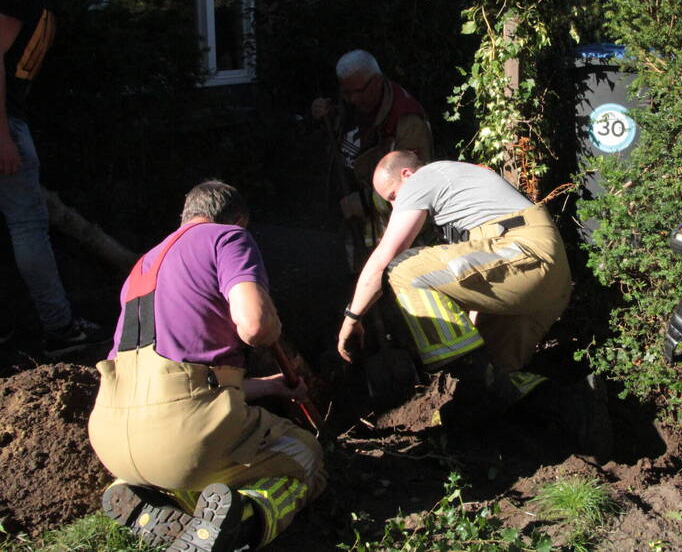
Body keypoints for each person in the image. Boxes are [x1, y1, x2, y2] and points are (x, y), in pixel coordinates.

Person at [89, 181, 326, 552]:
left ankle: (138, 492)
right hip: (185, 437)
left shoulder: (142, 265)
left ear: (185, 215)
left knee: (179, 458)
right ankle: (243, 521)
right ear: (239, 219)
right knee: (305, 455)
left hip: (113, 439)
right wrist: (272, 324)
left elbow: (181, 379)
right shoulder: (226, 238)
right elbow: (256, 326)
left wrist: (272, 386)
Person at [336, 150, 611, 457]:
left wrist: (352, 318)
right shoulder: (462, 192)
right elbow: (479, 273)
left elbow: (384, 258)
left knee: (403, 268)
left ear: (406, 175)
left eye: (392, 196)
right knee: (495, 381)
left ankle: (473, 374)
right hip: (540, 275)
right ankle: (576, 407)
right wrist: (477, 356)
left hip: (525, 253)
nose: (393, 205)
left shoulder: (425, 178)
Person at [0, 0, 108, 357]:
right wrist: (1, 133)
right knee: (28, 226)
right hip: (3, 120)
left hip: (13, 117)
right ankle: (60, 328)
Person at [310, 49, 432, 237]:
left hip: (386, 229)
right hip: (349, 220)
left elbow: (415, 186)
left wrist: (365, 202)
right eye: (346, 93)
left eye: (356, 92)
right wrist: (327, 114)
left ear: (376, 81)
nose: (352, 99)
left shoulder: (406, 120)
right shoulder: (352, 101)